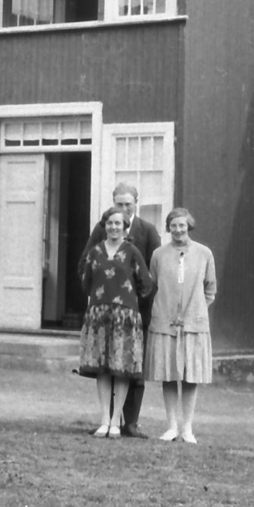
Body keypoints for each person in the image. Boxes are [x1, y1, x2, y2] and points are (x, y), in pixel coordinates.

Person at [78, 182, 161, 438]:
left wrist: (135, 307)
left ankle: (129, 423)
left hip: (132, 314)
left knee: (129, 370)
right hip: (101, 314)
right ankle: (108, 420)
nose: (123, 209)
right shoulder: (100, 235)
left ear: (136, 203)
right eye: (119, 204)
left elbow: (151, 277)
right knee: (105, 367)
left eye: (128, 204)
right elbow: (85, 268)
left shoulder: (146, 231)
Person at [146, 207, 217, 444]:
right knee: (168, 374)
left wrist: (195, 311)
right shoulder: (158, 254)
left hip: (193, 325)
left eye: (182, 226)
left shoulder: (204, 253)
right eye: (173, 226)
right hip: (165, 322)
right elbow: (153, 284)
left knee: (189, 375)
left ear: (189, 227)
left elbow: (210, 290)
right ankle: (171, 426)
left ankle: (187, 428)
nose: (178, 230)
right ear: (168, 228)